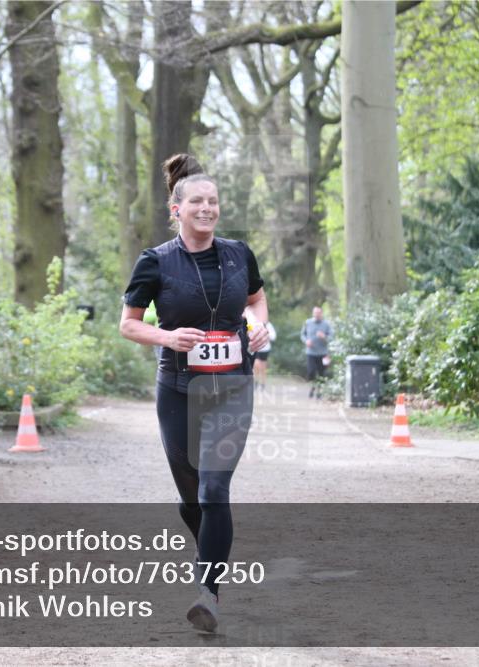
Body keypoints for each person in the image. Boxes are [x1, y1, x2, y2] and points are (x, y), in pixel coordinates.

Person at [120, 154, 270, 633]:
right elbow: (127, 325)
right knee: (191, 497)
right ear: (176, 209)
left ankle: (209, 594)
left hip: (231, 386)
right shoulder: (155, 262)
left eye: (213, 202)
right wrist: (167, 337)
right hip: (178, 388)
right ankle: (211, 548)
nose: (206, 208)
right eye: (197, 202)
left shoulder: (239, 254)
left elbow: (256, 300)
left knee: (213, 488)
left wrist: (261, 326)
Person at [300, 305, 332, 398]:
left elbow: (332, 337)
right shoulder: (308, 322)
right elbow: (302, 335)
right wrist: (306, 341)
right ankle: (312, 388)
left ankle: (319, 392)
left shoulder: (326, 324)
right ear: (313, 313)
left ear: (321, 314)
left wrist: (324, 337)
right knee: (311, 372)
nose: (317, 315)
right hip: (311, 353)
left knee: (322, 373)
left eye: (319, 313)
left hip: (323, 354)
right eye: (315, 313)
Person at [252, 321, 277, 391]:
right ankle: (256, 382)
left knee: (263, 368)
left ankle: (262, 383)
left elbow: (273, 336)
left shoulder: (268, 324)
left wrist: (266, 334)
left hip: (265, 348)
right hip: (256, 347)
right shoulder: (253, 321)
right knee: (256, 365)